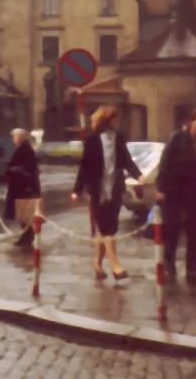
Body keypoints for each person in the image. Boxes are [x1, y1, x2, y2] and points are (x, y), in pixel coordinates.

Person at [72, 105, 142, 280]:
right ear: (107, 121)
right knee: (107, 228)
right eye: (114, 118)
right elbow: (84, 166)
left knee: (107, 229)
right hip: (97, 190)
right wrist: (77, 190)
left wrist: (139, 176)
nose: (117, 122)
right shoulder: (93, 140)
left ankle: (97, 264)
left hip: (115, 188)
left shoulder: (118, 139)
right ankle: (116, 266)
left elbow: (127, 161)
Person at [156, 107, 196, 282]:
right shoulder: (177, 138)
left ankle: (192, 267)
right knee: (173, 227)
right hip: (174, 189)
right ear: (191, 121)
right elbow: (164, 164)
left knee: (194, 228)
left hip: (192, 190)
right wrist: (161, 188)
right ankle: (169, 262)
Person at [4, 128, 40, 247]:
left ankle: (27, 235)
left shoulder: (25, 149)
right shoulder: (24, 149)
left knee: (23, 214)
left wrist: (17, 169)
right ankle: (27, 235)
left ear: (20, 138)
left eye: (14, 137)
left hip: (23, 187)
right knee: (21, 214)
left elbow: (29, 168)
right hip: (21, 186)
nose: (13, 139)